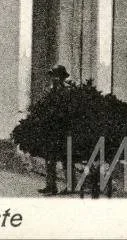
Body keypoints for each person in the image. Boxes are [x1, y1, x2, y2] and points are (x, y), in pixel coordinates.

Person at [39, 64, 71, 195]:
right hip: (52, 129)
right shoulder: (50, 90)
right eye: (52, 76)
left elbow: (68, 109)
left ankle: (70, 186)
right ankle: (51, 185)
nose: (53, 78)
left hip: (63, 129)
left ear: (62, 77)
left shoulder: (67, 91)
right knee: (49, 158)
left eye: (56, 76)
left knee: (66, 158)